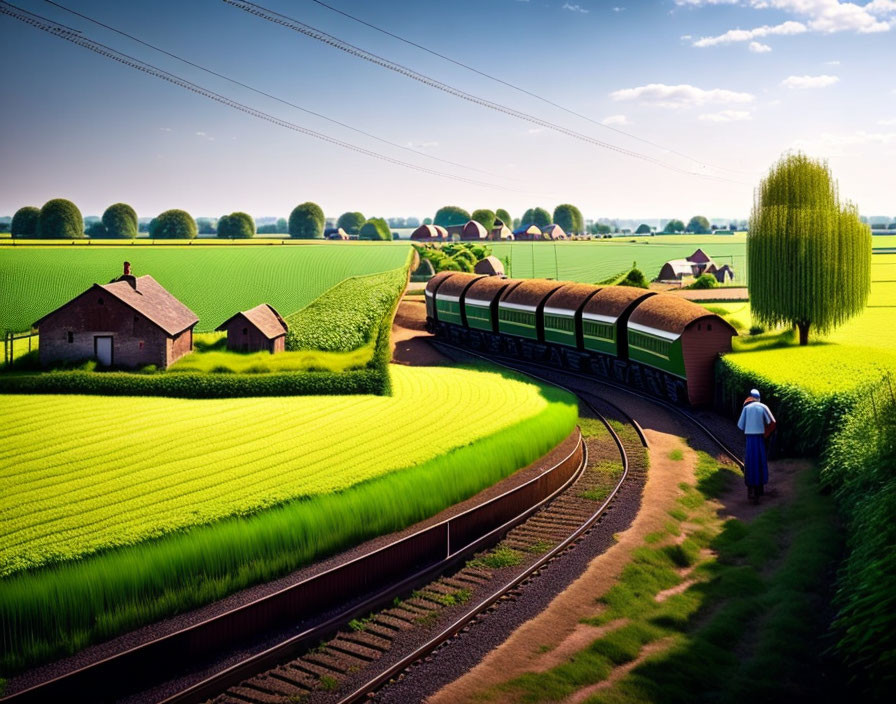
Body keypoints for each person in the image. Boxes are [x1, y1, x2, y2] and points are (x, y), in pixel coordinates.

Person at [737, 389, 776, 504]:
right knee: (760, 462)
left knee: (750, 462)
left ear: (750, 397)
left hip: (750, 439)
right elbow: (772, 422)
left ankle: (751, 488)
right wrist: (766, 433)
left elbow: (740, 425)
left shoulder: (746, 408)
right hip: (760, 439)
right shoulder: (763, 407)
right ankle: (760, 487)